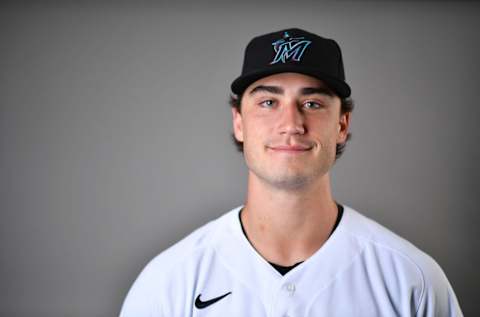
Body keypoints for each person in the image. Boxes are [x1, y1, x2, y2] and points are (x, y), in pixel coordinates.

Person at [120, 28, 463, 316]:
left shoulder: (410, 279)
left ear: (342, 124)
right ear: (239, 122)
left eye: (312, 103)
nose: (291, 124)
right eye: (268, 102)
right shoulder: (168, 281)